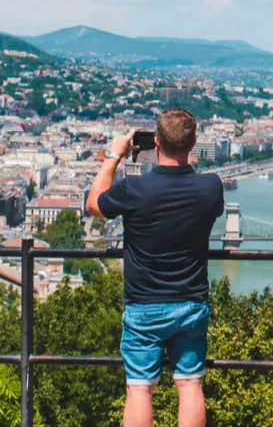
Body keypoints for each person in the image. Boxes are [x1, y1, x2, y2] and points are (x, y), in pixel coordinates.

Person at [86, 108, 224, 427]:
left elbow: (94, 204)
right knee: (190, 384)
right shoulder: (211, 187)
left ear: (155, 142)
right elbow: (201, 198)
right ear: (194, 144)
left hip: (143, 306)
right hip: (191, 303)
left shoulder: (133, 189)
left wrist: (114, 154)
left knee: (140, 390)